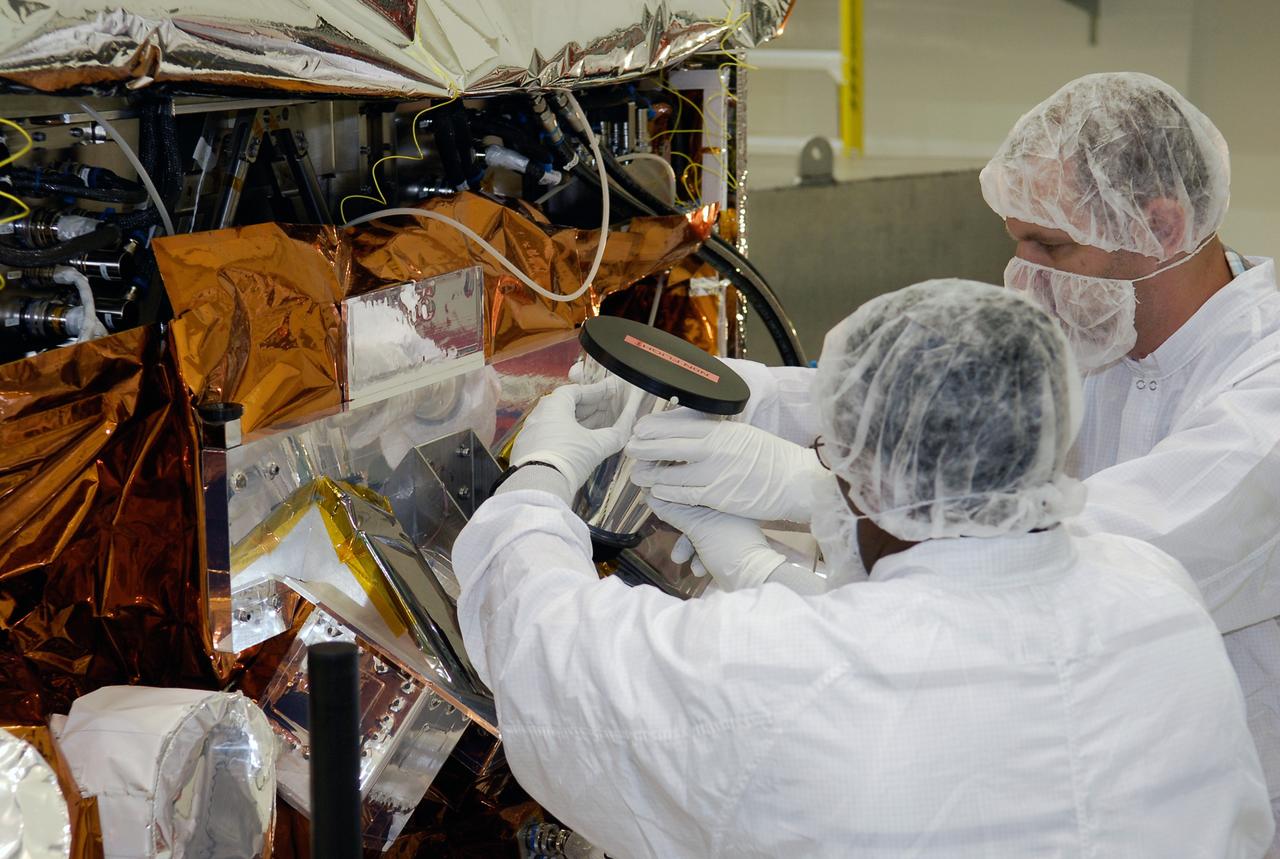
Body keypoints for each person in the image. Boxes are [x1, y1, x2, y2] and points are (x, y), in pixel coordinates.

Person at [628, 71, 1280, 835]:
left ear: (1162, 227)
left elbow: (1080, 558)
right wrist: (730, 392)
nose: (1023, 274)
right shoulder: (1106, 327)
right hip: (1075, 764)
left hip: (1214, 808)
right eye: (1017, 240)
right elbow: (934, 397)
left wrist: (807, 491)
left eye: (1050, 243)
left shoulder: (1261, 396)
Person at [451, 281, 1273, 857]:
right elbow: (965, 658)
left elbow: (549, 648)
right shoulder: (1156, 597)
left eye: (829, 456)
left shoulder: (780, 676)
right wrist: (760, 570)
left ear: (860, 477)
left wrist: (543, 473)